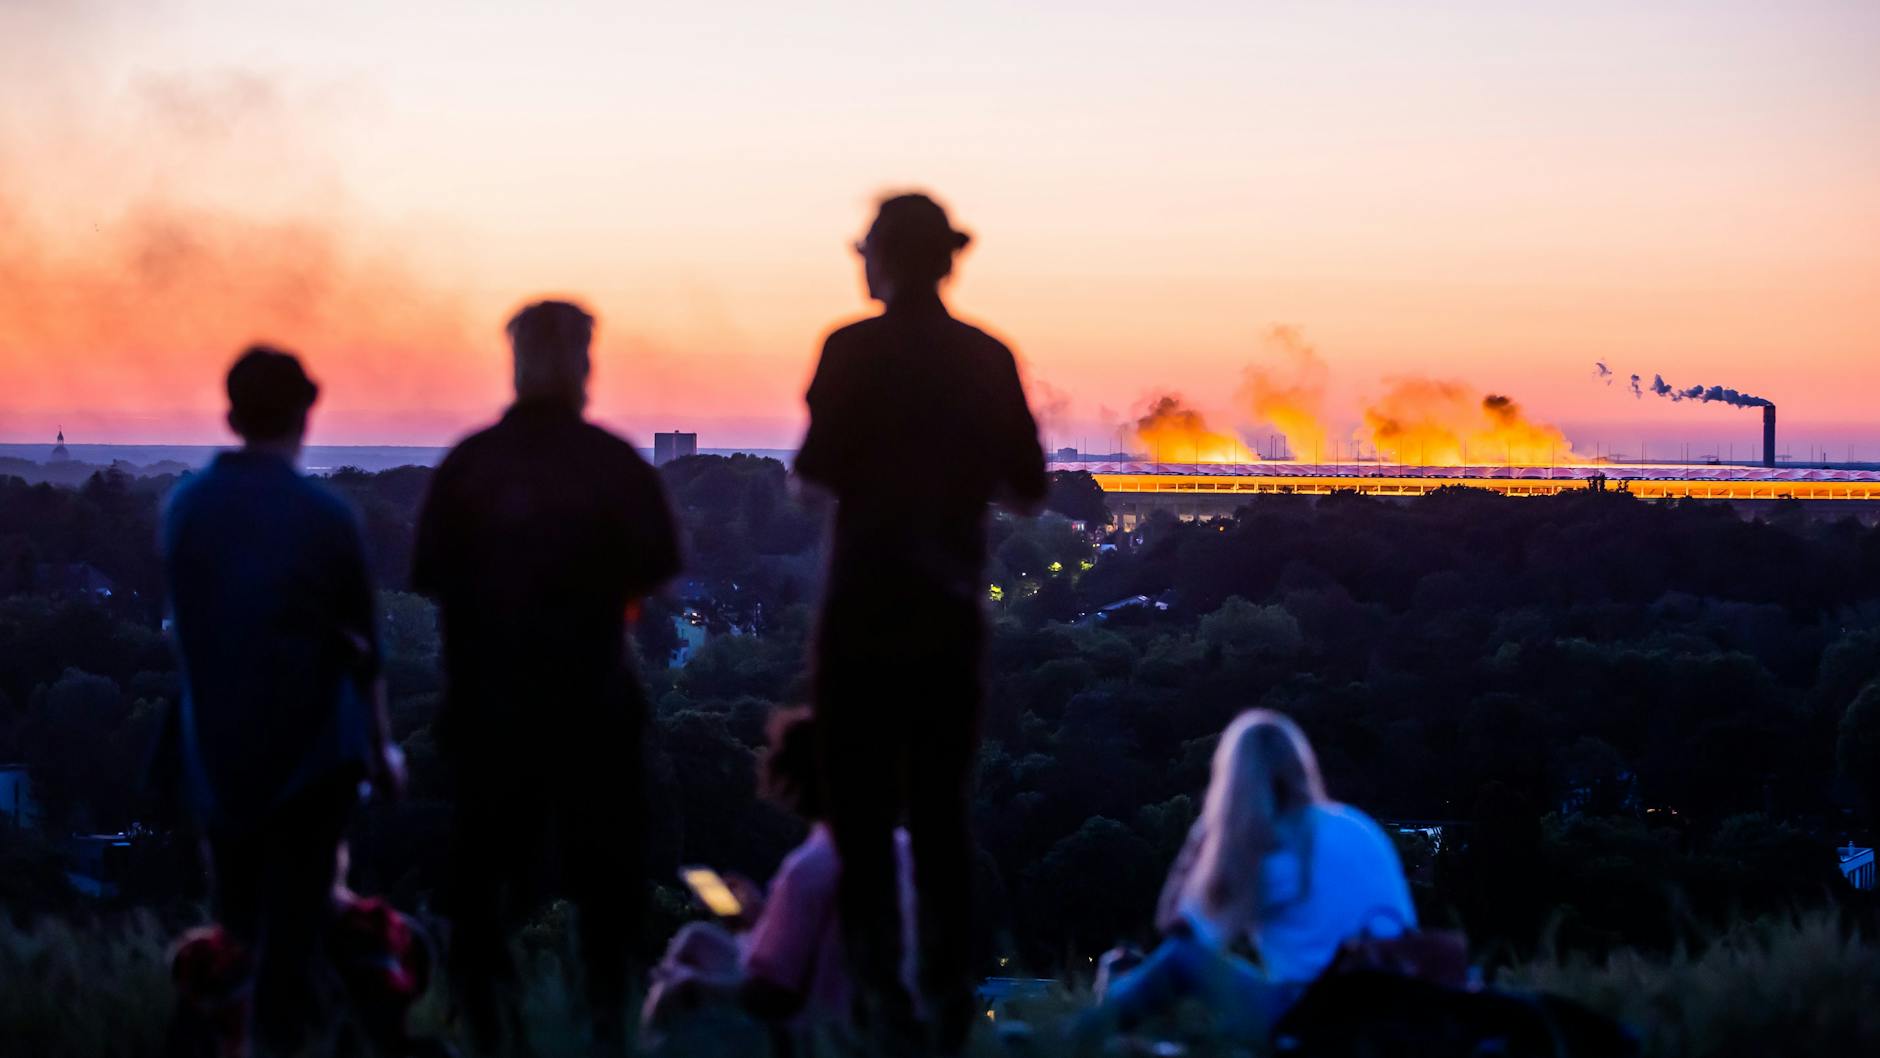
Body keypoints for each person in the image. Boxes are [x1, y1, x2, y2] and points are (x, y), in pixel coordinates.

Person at [796, 191, 1048, 1052]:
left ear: (888, 259)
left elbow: (813, 474)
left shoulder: (850, 350)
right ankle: (943, 1003)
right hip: (949, 617)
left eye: (866, 251)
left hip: (862, 611)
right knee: (943, 814)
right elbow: (1027, 489)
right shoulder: (986, 357)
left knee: (860, 816)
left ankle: (877, 1002)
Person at [412, 299, 681, 1054]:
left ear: (517, 362)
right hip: (593, 706)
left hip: (488, 707)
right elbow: (655, 568)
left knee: (483, 892)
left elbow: (432, 575)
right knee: (608, 892)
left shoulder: (472, 465)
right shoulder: (613, 465)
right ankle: (607, 1031)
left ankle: (489, 1035)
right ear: (585, 364)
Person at [160, 345, 404, 1056]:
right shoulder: (324, 515)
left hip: (215, 754)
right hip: (311, 757)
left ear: (232, 413)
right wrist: (384, 750)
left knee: (239, 929)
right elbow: (365, 648)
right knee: (295, 934)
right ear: (307, 409)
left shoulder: (187, 507)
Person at [1074, 710, 1417, 1045]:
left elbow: (1179, 930)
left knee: (1181, 959)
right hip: (1405, 1011)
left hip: (1320, 1024)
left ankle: (1069, 1039)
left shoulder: (1264, 847)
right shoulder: (1356, 824)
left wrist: (1202, 837)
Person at [642, 708, 918, 1045]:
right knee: (698, 937)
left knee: (679, 972)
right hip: (873, 1018)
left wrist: (689, 987)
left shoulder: (810, 867)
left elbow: (773, 995)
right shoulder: (900, 849)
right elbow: (823, 944)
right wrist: (758, 918)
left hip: (815, 1029)